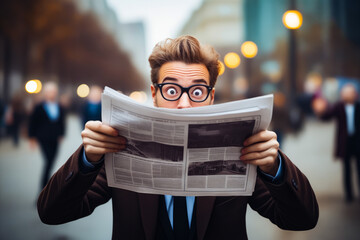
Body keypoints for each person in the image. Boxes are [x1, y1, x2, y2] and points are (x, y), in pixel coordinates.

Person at [37, 36, 318, 240]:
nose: (184, 104)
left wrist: (276, 167)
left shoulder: (240, 149)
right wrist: (87, 158)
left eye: (197, 92)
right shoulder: (120, 148)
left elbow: (302, 219)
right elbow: (52, 213)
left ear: (211, 96)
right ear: (155, 93)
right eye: (172, 90)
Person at [313, 83, 360, 202]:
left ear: (354, 94)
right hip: (345, 141)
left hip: (357, 141)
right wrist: (320, 111)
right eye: (344, 93)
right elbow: (327, 115)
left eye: (349, 93)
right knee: (346, 168)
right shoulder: (339, 106)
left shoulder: (358, 106)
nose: (346, 95)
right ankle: (349, 195)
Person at [29, 82, 66, 189]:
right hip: (43, 137)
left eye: (53, 91)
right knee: (48, 160)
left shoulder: (59, 106)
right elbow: (33, 122)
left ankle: (46, 186)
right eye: (49, 91)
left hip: (55, 138)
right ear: (45, 93)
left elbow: (62, 122)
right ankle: (44, 186)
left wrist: (62, 134)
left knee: (52, 159)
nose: (51, 94)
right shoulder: (39, 107)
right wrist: (31, 138)